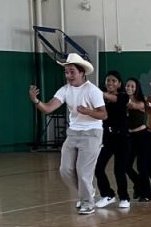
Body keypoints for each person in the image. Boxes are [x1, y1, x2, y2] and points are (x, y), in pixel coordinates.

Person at [30, 53, 108, 215]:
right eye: (66, 72)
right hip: (73, 133)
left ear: (82, 72)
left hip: (92, 133)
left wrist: (88, 111)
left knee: (82, 170)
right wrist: (36, 100)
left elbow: (103, 115)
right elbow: (48, 108)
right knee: (65, 170)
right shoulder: (65, 90)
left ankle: (88, 202)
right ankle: (85, 193)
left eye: (72, 72)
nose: (69, 75)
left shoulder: (92, 91)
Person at [94, 71, 130, 208]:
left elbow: (114, 99)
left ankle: (124, 197)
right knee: (98, 167)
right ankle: (108, 194)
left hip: (123, 138)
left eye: (114, 81)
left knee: (119, 170)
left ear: (119, 83)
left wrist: (97, 92)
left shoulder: (123, 96)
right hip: (108, 137)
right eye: (108, 80)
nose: (110, 83)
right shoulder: (100, 99)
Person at [124, 78, 151, 202]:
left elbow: (133, 105)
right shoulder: (123, 100)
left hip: (142, 136)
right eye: (127, 86)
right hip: (129, 137)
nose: (129, 88)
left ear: (137, 88)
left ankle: (147, 193)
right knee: (125, 165)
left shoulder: (142, 101)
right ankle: (138, 184)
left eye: (132, 86)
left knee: (142, 166)